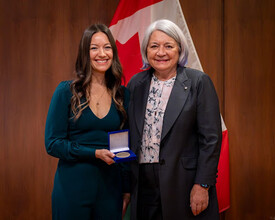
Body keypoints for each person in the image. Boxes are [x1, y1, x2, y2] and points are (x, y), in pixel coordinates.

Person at [127, 19, 222, 220]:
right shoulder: (136, 84)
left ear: (179, 49)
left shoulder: (198, 82)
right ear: (146, 50)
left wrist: (202, 184)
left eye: (168, 46)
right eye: (154, 46)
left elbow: (211, 140)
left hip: (184, 183)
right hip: (143, 185)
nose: (161, 52)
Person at [45, 24, 130, 220]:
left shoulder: (122, 95)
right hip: (71, 190)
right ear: (85, 53)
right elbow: (52, 144)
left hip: (110, 191)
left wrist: (126, 190)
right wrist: (94, 153)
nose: (102, 53)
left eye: (107, 47)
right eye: (94, 48)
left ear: (113, 52)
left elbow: (122, 146)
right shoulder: (66, 92)